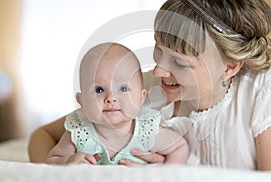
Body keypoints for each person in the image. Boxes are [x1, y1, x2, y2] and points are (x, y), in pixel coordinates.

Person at [29, 0, 271, 171]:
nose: (158, 70)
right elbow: (43, 136)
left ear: (229, 67)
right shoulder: (138, 90)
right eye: (158, 50)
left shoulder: (266, 88)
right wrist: (63, 170)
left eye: (179, 63)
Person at [45, 43, 188, 165]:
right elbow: (52, 159)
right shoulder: (79, 132)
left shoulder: (147, 130)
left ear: (141, 97)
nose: (111, 98)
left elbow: (179, 147)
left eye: (123, 89)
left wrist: (164, 173)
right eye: (99, 90)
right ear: (81, 101)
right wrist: (68, 161)